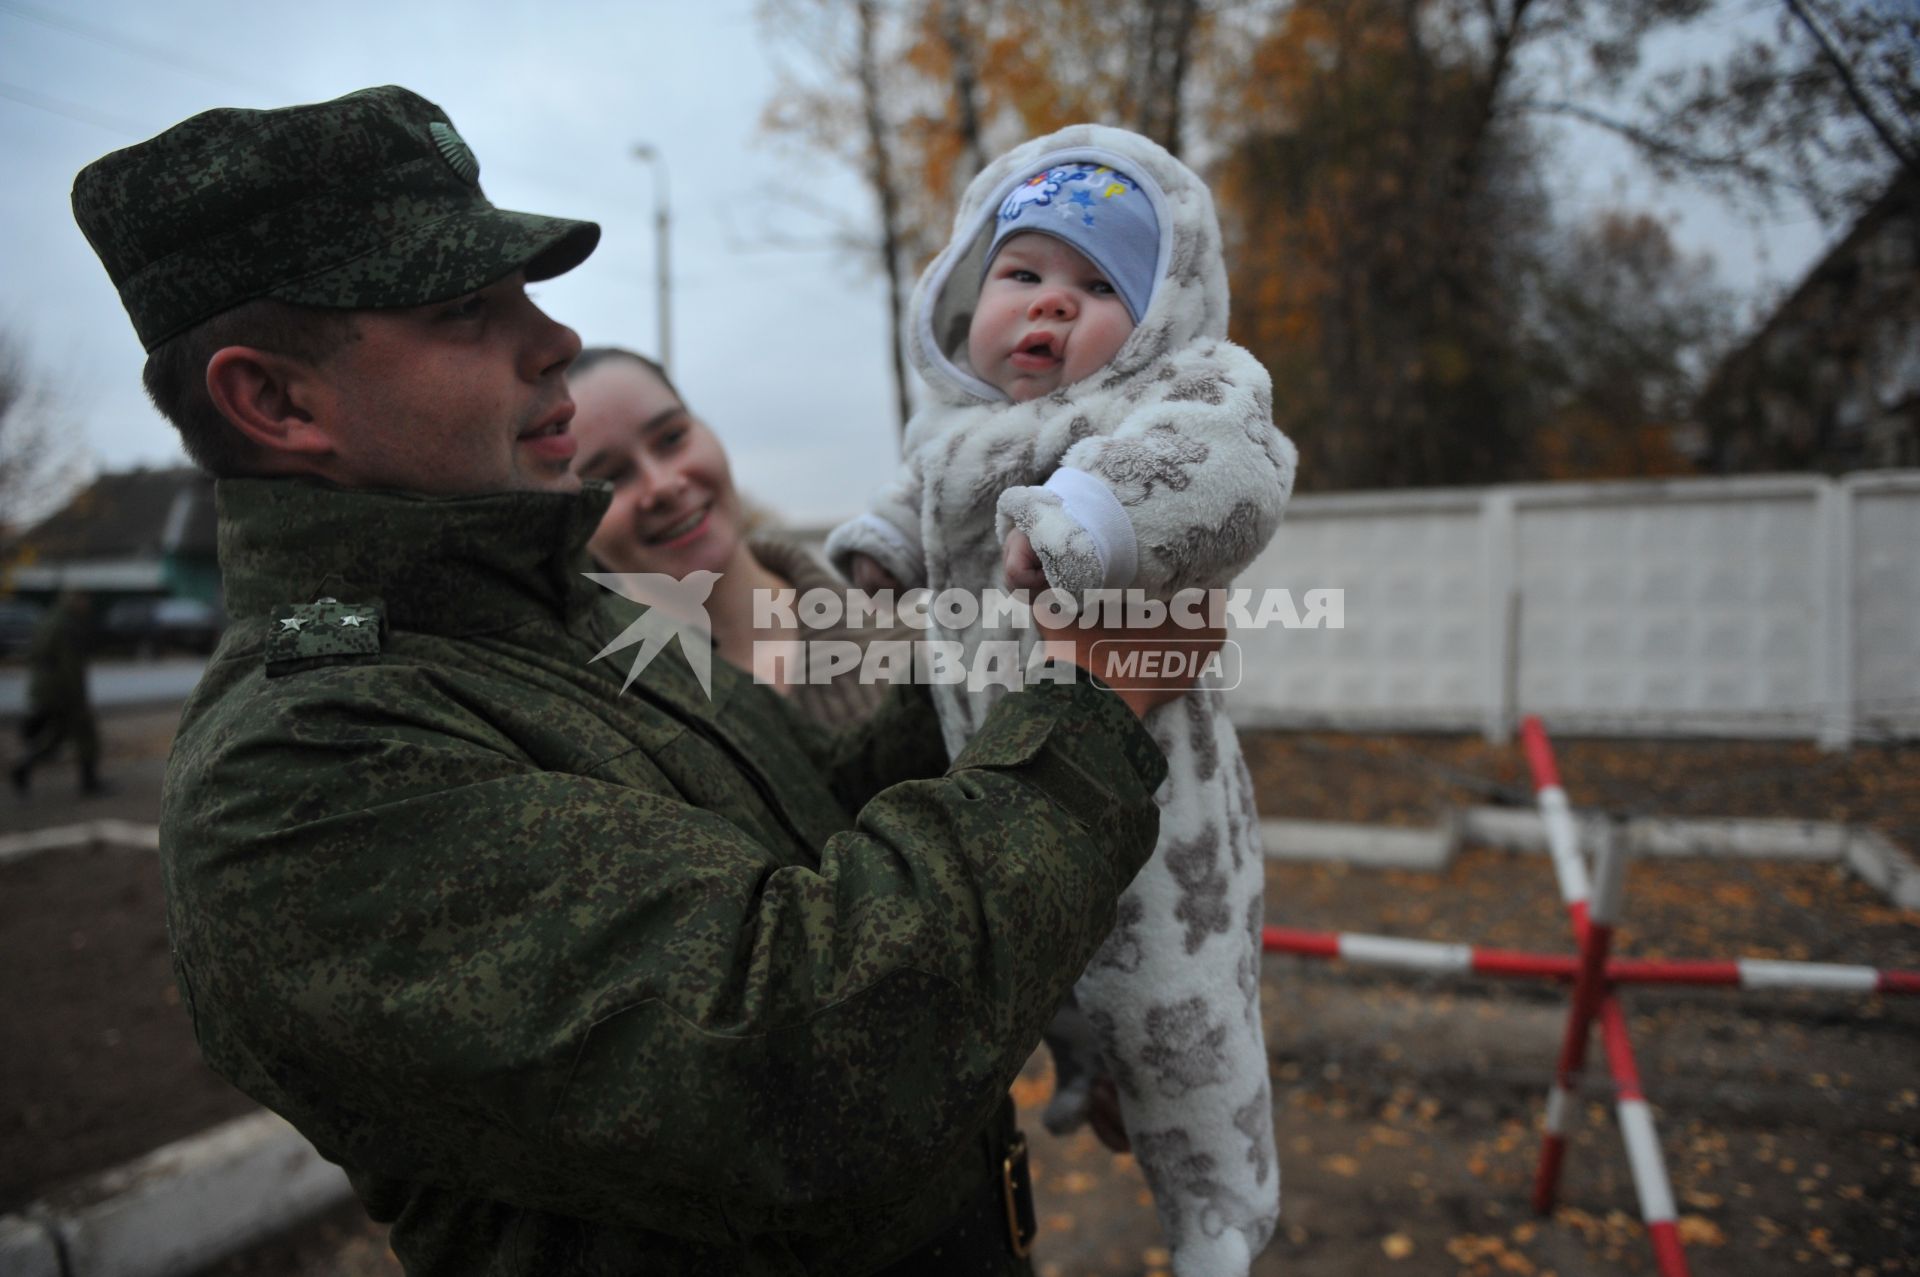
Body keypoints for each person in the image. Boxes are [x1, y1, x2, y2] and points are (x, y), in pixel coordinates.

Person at [71, 87, 1219, 1275]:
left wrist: (1031, 658)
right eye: (467, 307)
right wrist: (1087, 712)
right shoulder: (298, 772)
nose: (552, 336)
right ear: (275, 399)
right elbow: (799, 1058)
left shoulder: (547, 620)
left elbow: (819, 815)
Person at [825, 125, 1297, 1276]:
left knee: (1179, 1018)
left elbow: (1231, 469)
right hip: (1001, 781)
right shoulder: (950, 431)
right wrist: (880, 554)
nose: (1048, 306)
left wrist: (1088, 519)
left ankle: (1221, 1211)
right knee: (1040, 961)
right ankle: (1084, 1068)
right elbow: (911, 498)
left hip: (1155, 817)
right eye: (1023, 274)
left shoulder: (1177, 394)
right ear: (964, 291)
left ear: (1159, 318)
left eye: (1097, 288)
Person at [567, 346, 911, 729]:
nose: (663, 486)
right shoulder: (591, 721)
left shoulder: (928, 651)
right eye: (611, 476)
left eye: (671, 438)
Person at [9, 590, 106, 796]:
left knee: (57, 737)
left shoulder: (49, 618)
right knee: (85, 734)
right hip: (61, 689)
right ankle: (89, 783)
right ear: (74, 600)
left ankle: (22, 768)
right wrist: (79, 698)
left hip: (44, 687)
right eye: (84, 600)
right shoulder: (66, 625)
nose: (86, 605)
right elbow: (69, 665)